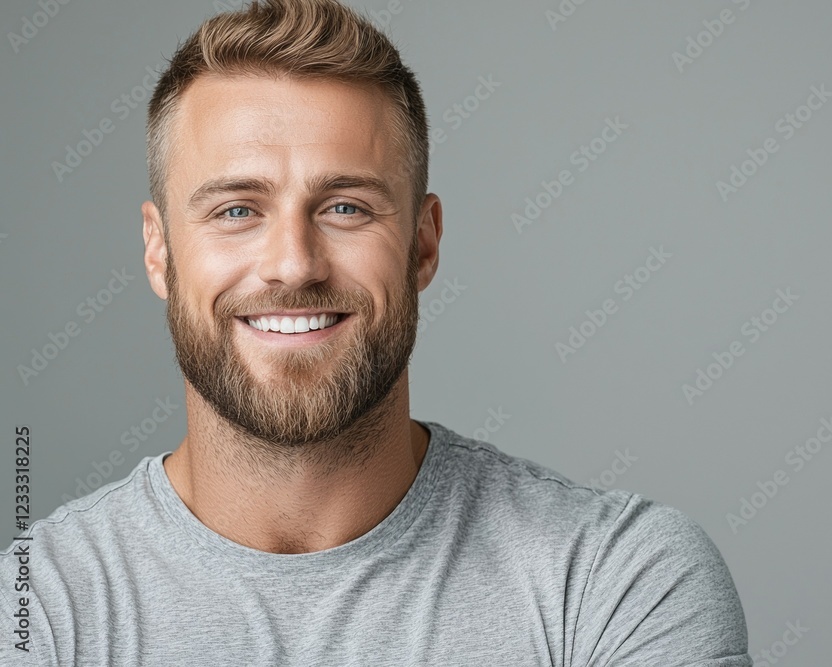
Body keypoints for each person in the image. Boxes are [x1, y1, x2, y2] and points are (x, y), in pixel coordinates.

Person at [0, 1, 752, 664]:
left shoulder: (612, 582)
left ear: (423, 244)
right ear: (159, 250)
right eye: (236, 210)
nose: (293, 264)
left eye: (346, 207)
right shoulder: (40, 610)